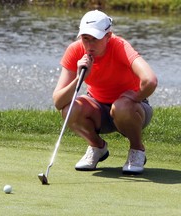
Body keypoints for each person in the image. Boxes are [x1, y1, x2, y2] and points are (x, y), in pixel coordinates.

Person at [53, 10, 158, 174]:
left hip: (132, 110)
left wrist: (136, 96)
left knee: (121, 106)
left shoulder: (120, 46)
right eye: (85, 39)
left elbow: (150, 80)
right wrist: (80, 78)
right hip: (98, 109)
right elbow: (58, 102)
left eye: (95, 39)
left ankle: (137, 150)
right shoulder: (75, 51)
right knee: (69, 109)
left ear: (108, 36)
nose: (89, 45)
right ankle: (97, 147)